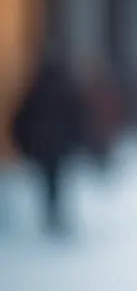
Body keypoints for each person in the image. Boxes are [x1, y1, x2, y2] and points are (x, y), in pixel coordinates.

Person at [12, 50, 88, 237]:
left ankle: (52, 216)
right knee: (56, 183)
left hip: (44, 148)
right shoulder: (63, 92)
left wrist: (24, 145)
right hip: (56, 148)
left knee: (49, 184)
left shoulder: (36, 92)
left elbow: (20, 120)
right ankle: (55, 217)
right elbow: (77, 119)